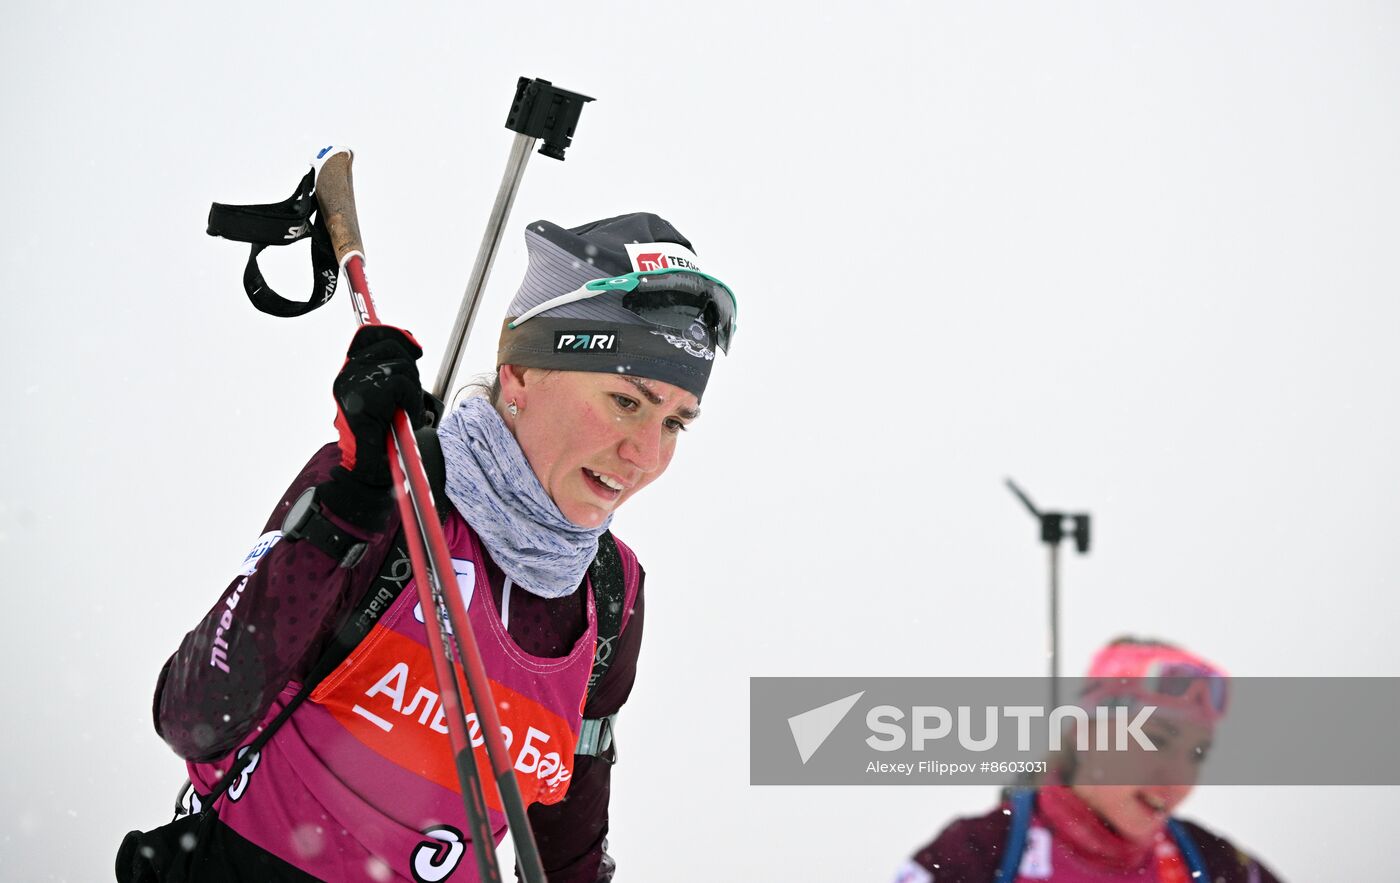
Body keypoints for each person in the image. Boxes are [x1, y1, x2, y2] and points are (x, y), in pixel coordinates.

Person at [119, 213, 736, 882]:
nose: (646, 453)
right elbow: (193, 714)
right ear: (522, 371)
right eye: (625, 400)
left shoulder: (610, 595)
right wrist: (346, 510)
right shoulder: (386, 490)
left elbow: (567, 852)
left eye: (673, 421)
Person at [893, 637, 1284, 883]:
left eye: (1197, 754)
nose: (1177, 775)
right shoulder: (979, 853)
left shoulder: (1213, 864)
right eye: (1155, 740)